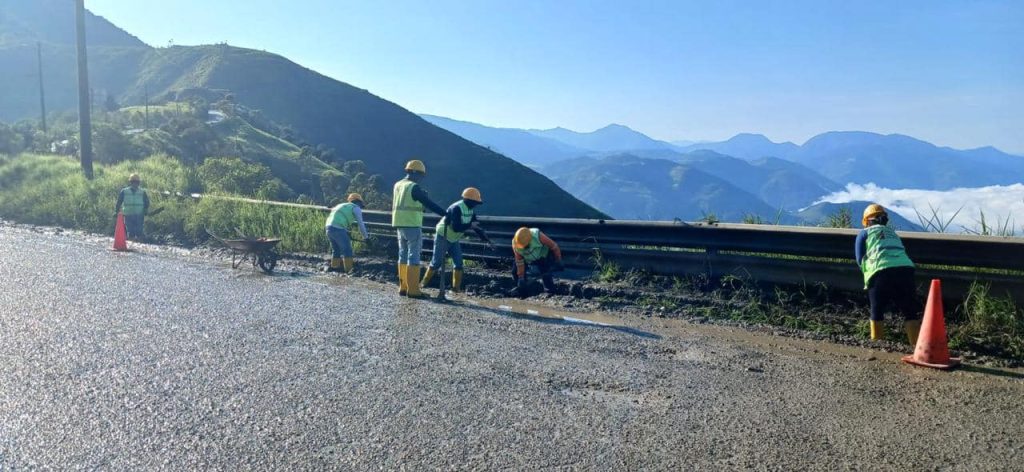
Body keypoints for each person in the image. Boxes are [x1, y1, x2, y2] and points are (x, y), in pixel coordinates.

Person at [856, 203, 920, 344]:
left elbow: (860, 259)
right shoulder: (893, 234)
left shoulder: (864, 233)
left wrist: (869, 275)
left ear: (867, 221)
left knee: (877, 310)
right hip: (906, 270)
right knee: (910, 311)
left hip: (880, 271)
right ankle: (916, 346)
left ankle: (877, 345)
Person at [391, 159, 446, 298]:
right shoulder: (413, 187)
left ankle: (403, 287)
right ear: (415, 173)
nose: (421, 179)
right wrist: (446, 214)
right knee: (413, 256)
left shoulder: (398, 184)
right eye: (421, 175)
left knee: (402, 255)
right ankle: (413, 290)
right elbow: (429, 204)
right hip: (412, 224)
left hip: (399, 223)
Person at [421, 187, 493, 292]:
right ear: (468, 200)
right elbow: (456, 227)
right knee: (436, 262)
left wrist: (486, 240)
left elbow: (476, 226)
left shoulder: (470, 210)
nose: (476, 205)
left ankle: (456, 289)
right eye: (475, 202)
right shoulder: (456, 208)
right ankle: (423, 283)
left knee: (458, 263)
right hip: (443, 235)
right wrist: (470, 225)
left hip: (454, 239)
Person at [512, 227, 564, 297]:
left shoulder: (538, 235)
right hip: (527, 258)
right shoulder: (515, 244)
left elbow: (554, 247)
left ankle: (550, 291)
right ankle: (522, 291)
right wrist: (521, 277)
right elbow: (519, 262)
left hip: (542, 255)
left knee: (545, 270)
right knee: (515, 272)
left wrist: (558, 260)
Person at [325, 193, 369, 273]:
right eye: (360, 204)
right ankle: (349, 271)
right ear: (358, 202)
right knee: (347, 250)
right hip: (338, 228)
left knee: (336, 250)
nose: (360, 207)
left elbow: (338, 218)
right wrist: (366, 238)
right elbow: (361, 224)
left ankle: (334, 269)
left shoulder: (341, 205)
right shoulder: (356, 208)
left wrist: (345, 231)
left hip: (328, 228)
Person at [115, 174, 150, 241]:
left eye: (137, 182)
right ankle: (132, 243)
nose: (135, 184)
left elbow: (147, 203)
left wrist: (145, 211)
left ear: (139, 183)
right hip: (128, 214)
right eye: (134, 182)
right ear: (131, 182)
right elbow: (119, 202)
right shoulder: (124, 191)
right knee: (130, 231)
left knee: (139, 231)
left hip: (139, 214)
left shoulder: (142, 192)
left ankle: (139, 243)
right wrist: (117, 211)